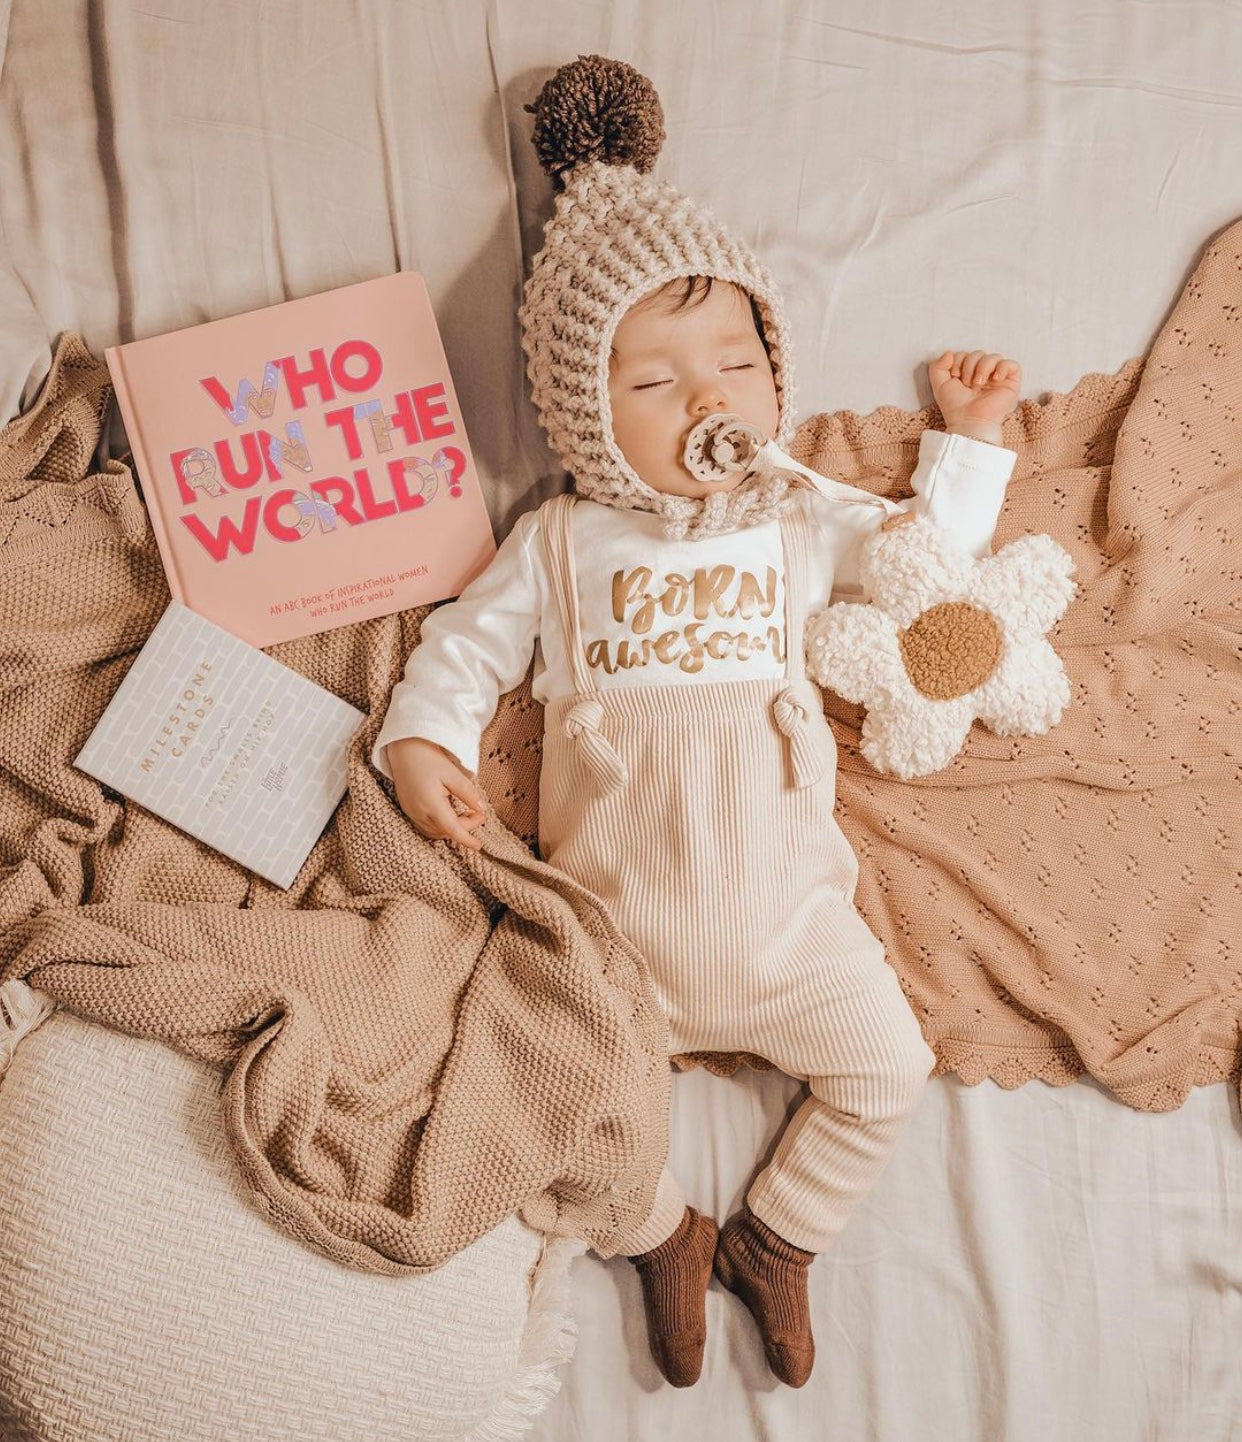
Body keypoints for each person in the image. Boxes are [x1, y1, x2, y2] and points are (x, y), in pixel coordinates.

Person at [370, 55, 1023, 1390]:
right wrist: (424, 747)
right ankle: (666, 1227)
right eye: (656, 384)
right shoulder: (559, 543)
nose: (708, 399)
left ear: (773, 373)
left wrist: (969, 441)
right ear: (581, 416)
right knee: (555, 1102)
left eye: (734, 360)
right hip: (613, 941)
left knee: (890, 1064)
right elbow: (456, 652)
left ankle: (779, 1236)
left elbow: (920, 567)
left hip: (791, 923)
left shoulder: (793, 518)